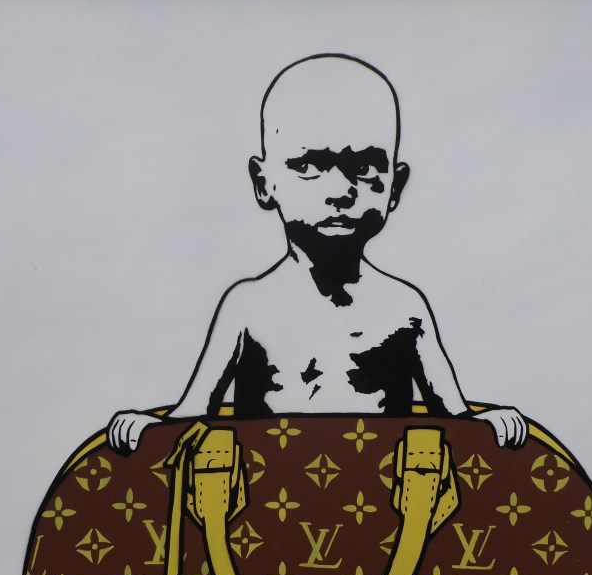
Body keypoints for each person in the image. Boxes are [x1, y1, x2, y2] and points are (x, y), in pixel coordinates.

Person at [108, 54, 527, 453]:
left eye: (365, 168)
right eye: (309, 166)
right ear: (264, 183)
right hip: (261, 500)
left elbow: (454, 420)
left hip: (390, 503)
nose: (341, 191)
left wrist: (488, 423)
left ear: (395, 186)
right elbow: (192, 418)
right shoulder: (247, 307)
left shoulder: (405, 309)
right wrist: (149, 430)